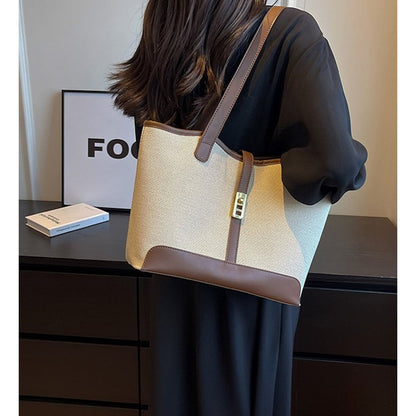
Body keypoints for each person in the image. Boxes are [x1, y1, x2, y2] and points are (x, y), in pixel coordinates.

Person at [109, 1, 367, 415]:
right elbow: (336, 162)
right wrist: (325, 168)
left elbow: (150, 142)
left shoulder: (168, 21)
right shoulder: (290, 31)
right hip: (256, 278)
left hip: (172, 266)